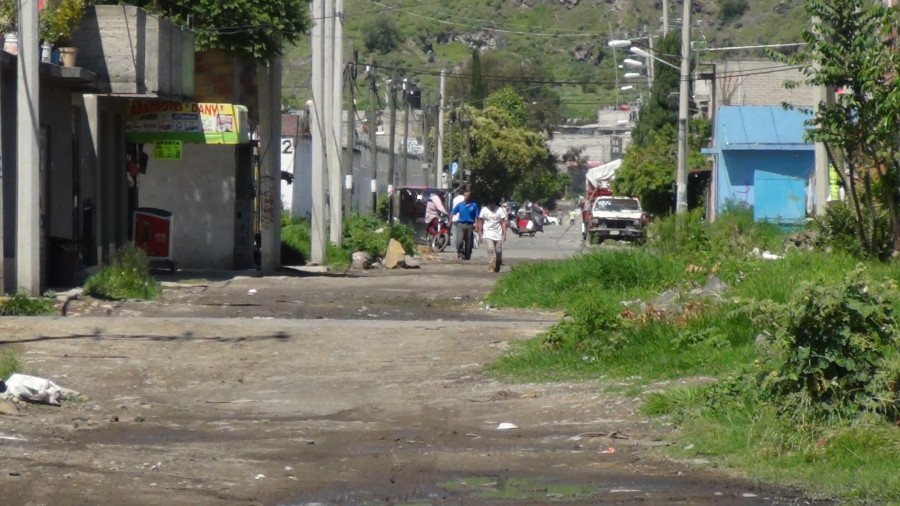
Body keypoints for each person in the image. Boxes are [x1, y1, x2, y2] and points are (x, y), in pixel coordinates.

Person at [478, 199, 508, 273]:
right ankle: (491, 264)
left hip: (498, 233)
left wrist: (504, 234)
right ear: (487, 204)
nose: (491, 206)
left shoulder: (500, 210)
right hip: (488, 233)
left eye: (493, 204)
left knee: (498, 249)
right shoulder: (484, 210)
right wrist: (480, 234)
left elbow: (503, 223)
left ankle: (498, 262)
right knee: (490, 249)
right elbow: (480, 222)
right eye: (490, 204)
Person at [451, 191, 478, 260]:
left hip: (470, 224)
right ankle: (460, 253)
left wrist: (477, 225)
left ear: (470, 196)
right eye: (465, 195)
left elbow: (476, 217)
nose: (466, 197)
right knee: (459, 240)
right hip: (461, 224)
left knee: (469, 241)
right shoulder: (460, 205)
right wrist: (449, 221)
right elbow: (452, 212)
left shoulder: (473, 205)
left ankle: (467, 255)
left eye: (468, 195)